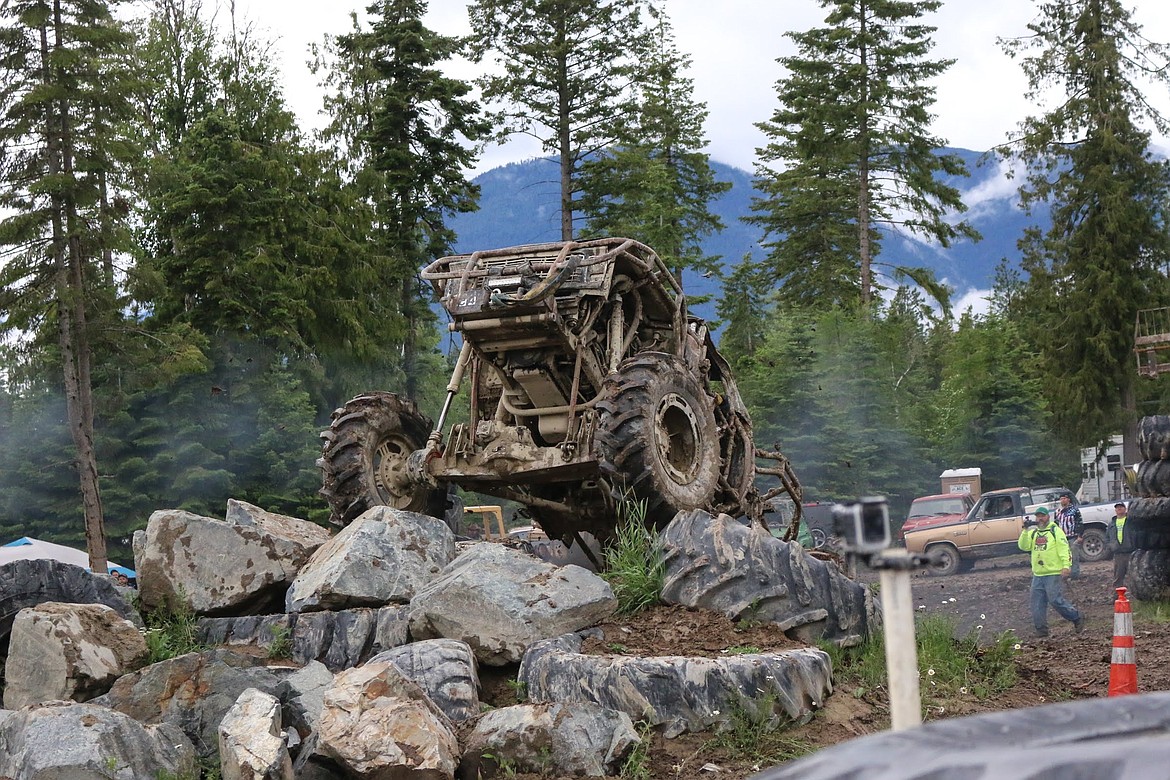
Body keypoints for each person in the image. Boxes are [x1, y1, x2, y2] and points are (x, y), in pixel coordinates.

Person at [1018, 506, 1084, 638]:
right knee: (1036, 603)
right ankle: (1041, 630)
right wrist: (1025, 530)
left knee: (1055, 600)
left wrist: (1066, 566)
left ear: (1048, 516)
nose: (1040, 518)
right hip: (1038, 574)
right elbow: (1023, 546)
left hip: (1053, 573)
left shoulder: (1055, 531)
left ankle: (1076, 617)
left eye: (1043, 516)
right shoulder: (1034, 533)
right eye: (1038, 516)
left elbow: (1064, 549)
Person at [1053, 494, 1084, 579]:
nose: (1063, 500)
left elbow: (1080, 523)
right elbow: (1055, 525)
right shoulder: (1057, 511)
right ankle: (1063, 574)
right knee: (1063, 557)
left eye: (1065, 498)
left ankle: (1075, 575)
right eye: (1061, 498)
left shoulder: (1074, 510)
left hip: (1072, 537)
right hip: (1061, 539)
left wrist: (1080, 535)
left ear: (1068, 500)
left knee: (1074, 557)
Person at [1107, 502, 1132, 590]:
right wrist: (1111, 546)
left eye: (1121, 507)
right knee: (1118, 577)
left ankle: (1136, 599)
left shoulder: (1130, 521)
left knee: (1133, 576)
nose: (1119, 509)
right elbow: (1107, 537)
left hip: (1130, 552)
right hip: (1118, 554)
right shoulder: (1111, 524)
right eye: (1117, 508)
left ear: (1125, 509)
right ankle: (1116, 597)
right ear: (1115, 510)